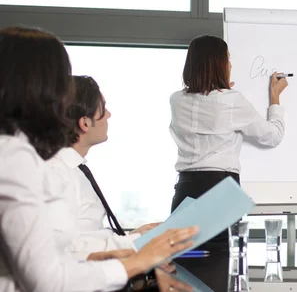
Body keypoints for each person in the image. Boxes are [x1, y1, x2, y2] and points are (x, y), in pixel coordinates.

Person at [0, 26, 198, 292]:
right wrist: (139, 261)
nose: (65, 93)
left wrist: (118, 255)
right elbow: (46, 281)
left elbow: (58, 253)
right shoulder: (14, 158)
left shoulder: (21, 153)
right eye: (60, 81)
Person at [169, 35, 288, 250]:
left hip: (184, 189)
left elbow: (206, 104)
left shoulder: (176, 100)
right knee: (222, 262)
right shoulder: (231, 100)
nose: (231, 64)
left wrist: (221, 91)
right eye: (228, 59)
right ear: (219, 64)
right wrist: (275, 99)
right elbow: (273, 135)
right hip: (220, 189)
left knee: (185, 264)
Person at [47, 75, 160, 261]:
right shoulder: (57, 173)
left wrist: (132, 236)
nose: (109, 115)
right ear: (84, 123)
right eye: (103, 108)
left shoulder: (75, 169)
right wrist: (137, 242)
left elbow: (86, 232)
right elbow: (67, 247)